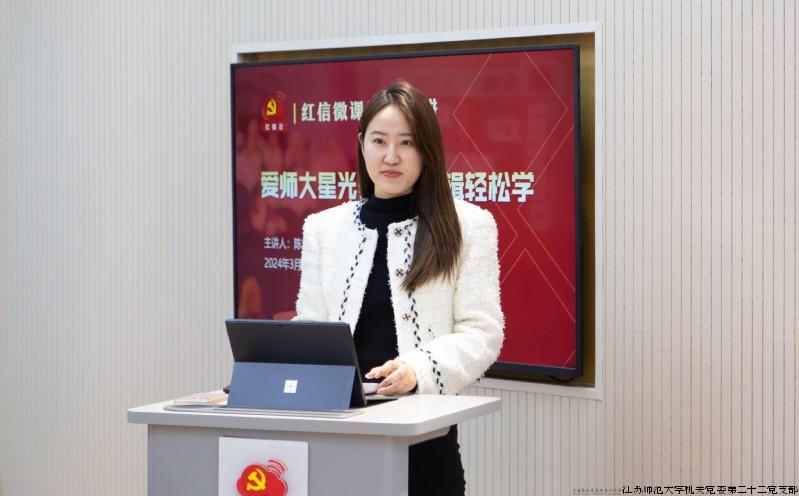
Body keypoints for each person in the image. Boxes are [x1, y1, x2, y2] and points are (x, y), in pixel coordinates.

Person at [294, 80, 504, 495]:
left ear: (427, 150)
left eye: (407, 143)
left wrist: (416, 370)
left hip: (424, 437)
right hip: (337, 431)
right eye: (379, 141)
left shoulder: (468, 225)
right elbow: (310, 325)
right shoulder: (323, 228)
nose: (391, 156)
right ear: (362, 145)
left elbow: (482, 332)